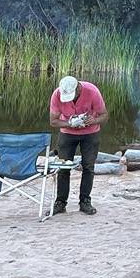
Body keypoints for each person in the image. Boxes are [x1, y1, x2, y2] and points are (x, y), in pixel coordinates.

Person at [49, 75, 108, 215]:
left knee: (88, 167)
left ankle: (85, 201)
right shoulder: (57, 94)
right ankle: (60, 202)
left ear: (78, 88)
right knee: (63, 167)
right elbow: (53, 121)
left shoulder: (92, 92)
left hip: (90, 133)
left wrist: (92, 121)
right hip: (67, 133)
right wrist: (69, 123)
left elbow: (104, 115)